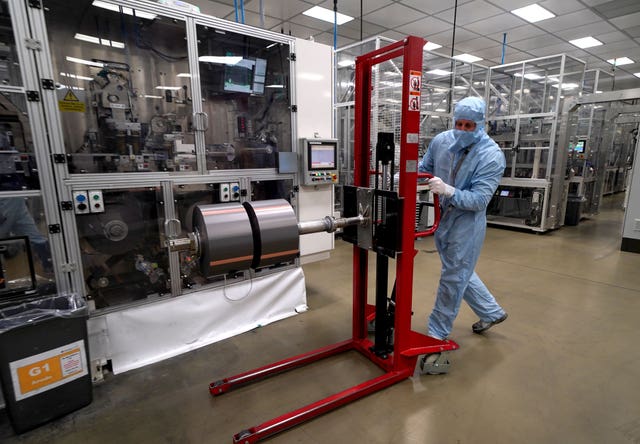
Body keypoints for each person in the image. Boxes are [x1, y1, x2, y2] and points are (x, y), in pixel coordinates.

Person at [419, 96, 507, 340]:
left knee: (454, 276)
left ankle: (436, 335)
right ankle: (491, 311)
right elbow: (424, 167)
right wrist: (401, 175)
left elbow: (479, 200)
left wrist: (448, 190)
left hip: (467, 223)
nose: (462, 130)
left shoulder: (491, 155)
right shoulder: (441, 141)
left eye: (469, 126)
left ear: (480, 125)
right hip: (443, 218)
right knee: (457, 269)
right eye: (459, 124)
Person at [0, 196, 53, 274]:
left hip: (17, 204)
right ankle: (49, 267)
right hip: (8, 205)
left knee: (36, 238)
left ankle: (49, 266)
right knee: (37, 238)